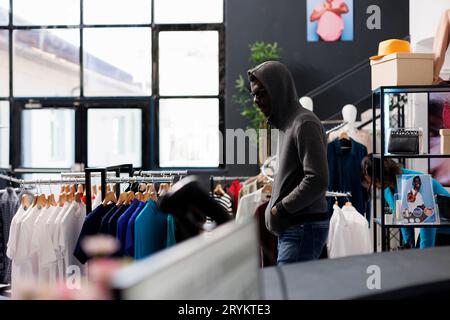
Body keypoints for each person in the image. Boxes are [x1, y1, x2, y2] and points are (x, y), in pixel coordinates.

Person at [247, 61, 329, 265]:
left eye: (261, 93)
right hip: (296, 229)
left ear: (277, 89)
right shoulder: (288, 124)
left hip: (301, 228)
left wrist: (280, 209)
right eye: (254, 95)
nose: (256, 100)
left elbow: (317, 179)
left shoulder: (304, 123)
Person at [361, 155, 450, 248]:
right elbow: (403, 219)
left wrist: (424, 253)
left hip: (445, 230)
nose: (373, 186)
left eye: (374, 181)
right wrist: (408, 245)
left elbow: (427, 221)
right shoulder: (387, 190)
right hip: (434, 230)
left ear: (382, 174)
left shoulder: (415, 181)